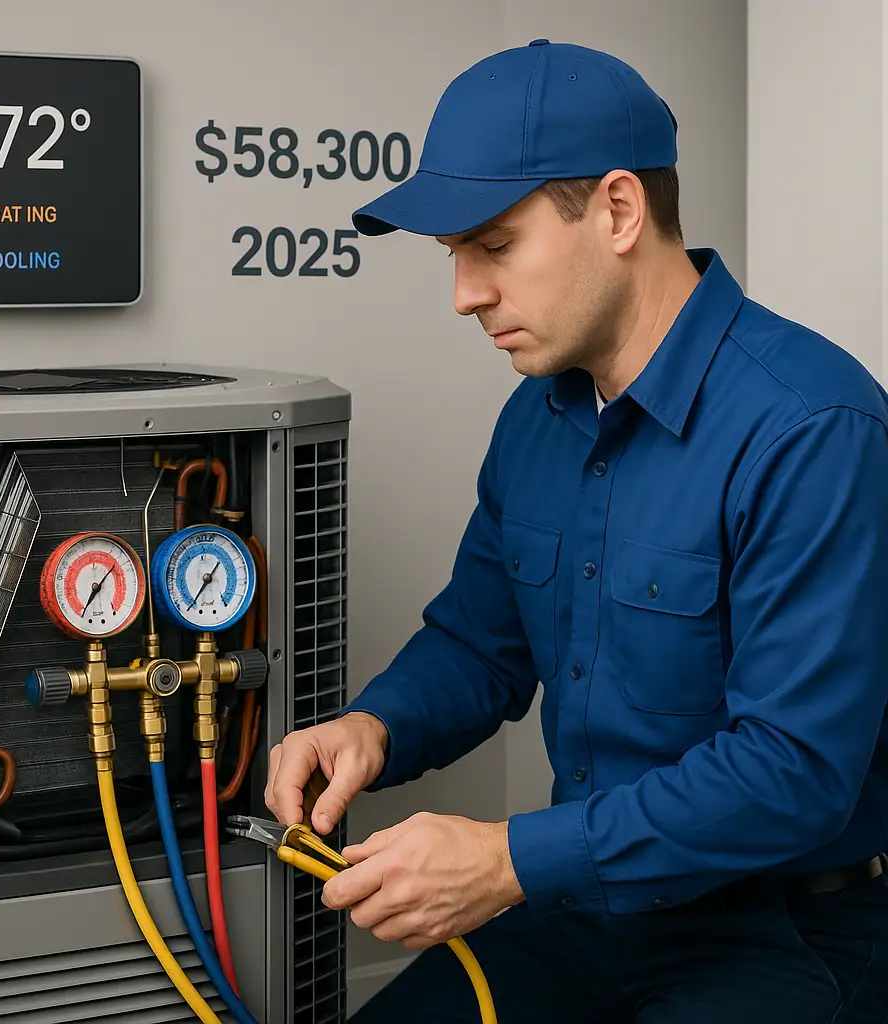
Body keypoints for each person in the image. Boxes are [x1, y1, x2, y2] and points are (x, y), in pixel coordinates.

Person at [265, 39, 888, 1022]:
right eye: (454, 258)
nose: (464, 294)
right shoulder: (539, 416)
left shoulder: (811, 425)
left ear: (618, 210)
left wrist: (507, 858)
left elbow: (792, 771)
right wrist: (372, 726)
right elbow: (480, 643)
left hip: (782, 933)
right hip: (581, 908)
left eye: (493, 246)